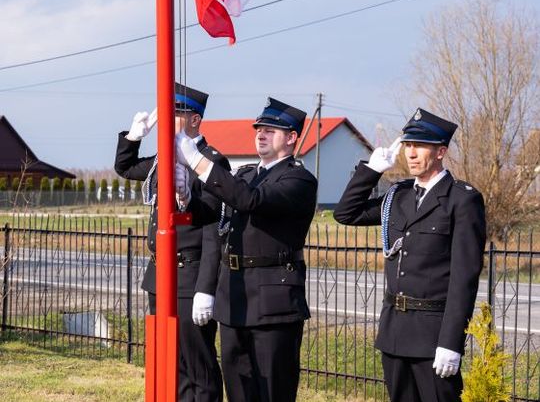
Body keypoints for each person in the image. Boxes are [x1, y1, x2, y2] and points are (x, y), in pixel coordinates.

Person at [333, 108, 486, 402]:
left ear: (441, 152)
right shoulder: (398, 196)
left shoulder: (462, 199)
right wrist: (371, 171)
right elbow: (346, 213)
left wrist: (451, 342)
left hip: (433, 336)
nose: (411, 153)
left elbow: (464, 279)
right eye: (408, 145)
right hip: (394, 331)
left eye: (420, 146)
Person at [174, 97, 318, 402]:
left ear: (292, 138)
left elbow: (251, 200)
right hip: (234, 296)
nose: (261, 134)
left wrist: (198, 161)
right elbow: (212, 215)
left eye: (270, 130)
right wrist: (186, 199)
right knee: (238, 388)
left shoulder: (298, 178)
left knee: (271, 390)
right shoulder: (246, 175)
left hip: (273, 302)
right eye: (259, 129)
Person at [114, 84, 229, 402]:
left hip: (189, 276)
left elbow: (213, 228)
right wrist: (133, 137)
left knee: (197, 363)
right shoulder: (163, 158)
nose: (167, 121)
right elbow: (125, 168)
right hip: (160, 274)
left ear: (194, 119)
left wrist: (206, 288)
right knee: (170, 361)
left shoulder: (210, 162)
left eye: (175, 114)